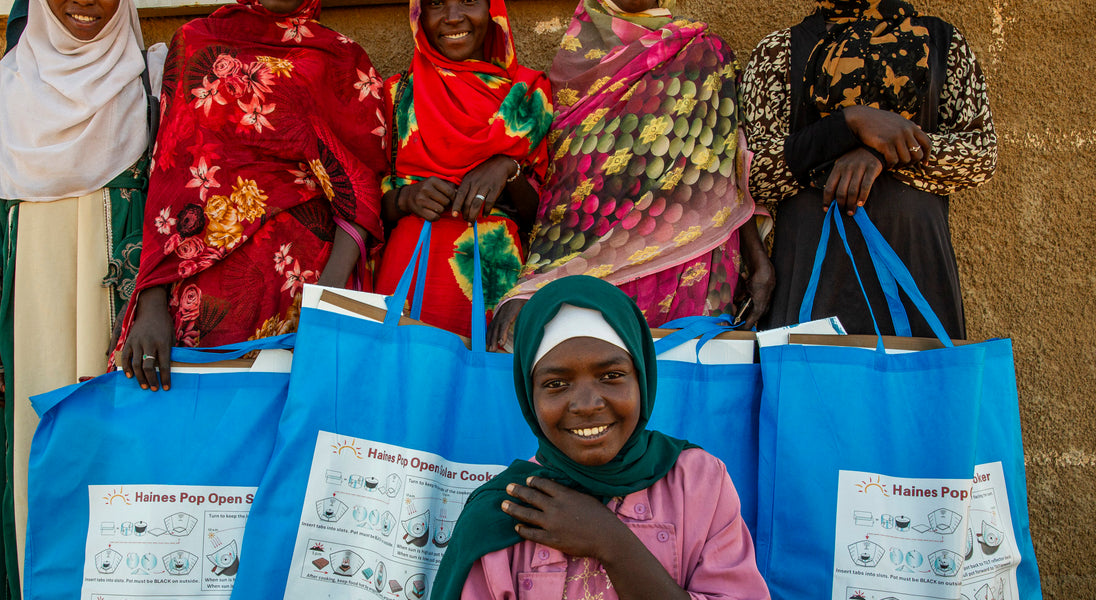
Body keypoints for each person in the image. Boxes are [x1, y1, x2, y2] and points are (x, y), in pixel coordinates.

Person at [410, 275, 770, 600]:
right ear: (528, 396)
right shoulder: (508, 508)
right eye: (555, 383)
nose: (586, 403)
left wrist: (610, 542)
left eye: (611, 375)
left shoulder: (698, 482)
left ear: (642, 378)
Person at [0, 0, 161, 600]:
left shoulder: (146, 80)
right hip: (33, 317)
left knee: (121, 482)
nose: (87, 2)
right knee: (36, 481)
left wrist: (150, 307)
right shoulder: (5, 90)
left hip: (119, 322)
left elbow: (167, 207)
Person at [119, 0, 386, 389]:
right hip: (200, 292)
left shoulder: (342, 57)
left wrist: (326, 298)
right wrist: (151, 299)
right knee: (198, 428)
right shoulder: (195, 42)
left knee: (293, 431)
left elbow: (362, 190)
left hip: (301, 290)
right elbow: (169, 174)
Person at [487, 0, 775, 350]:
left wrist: (759, 262)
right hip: (589, 271)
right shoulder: (569, 70)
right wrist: (535, 283)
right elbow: (558, 191)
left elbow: (722, 167)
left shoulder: (703, 51)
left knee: (685, 390)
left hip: (688, 262)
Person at [740, 0, 997, 338]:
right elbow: (752, 174)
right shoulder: (777, 52)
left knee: (914, 385)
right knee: (812, 385)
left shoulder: (942, 42)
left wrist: (880, 153)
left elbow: (980, 154)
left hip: (915, 269)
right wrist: (848, 124)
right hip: (813, 270)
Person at [370, 0, 553, 339]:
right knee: (403, 378)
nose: (453, 17)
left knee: (490, 383)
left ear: (493, 9)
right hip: (410, 270)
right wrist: (407, 198)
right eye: (437, 4)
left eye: (469, 0)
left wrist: (506, 168)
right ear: (418, 15)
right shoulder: (396, 93)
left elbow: (542, 219)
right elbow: (366, 206)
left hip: (495, 274)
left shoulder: (528, 94)